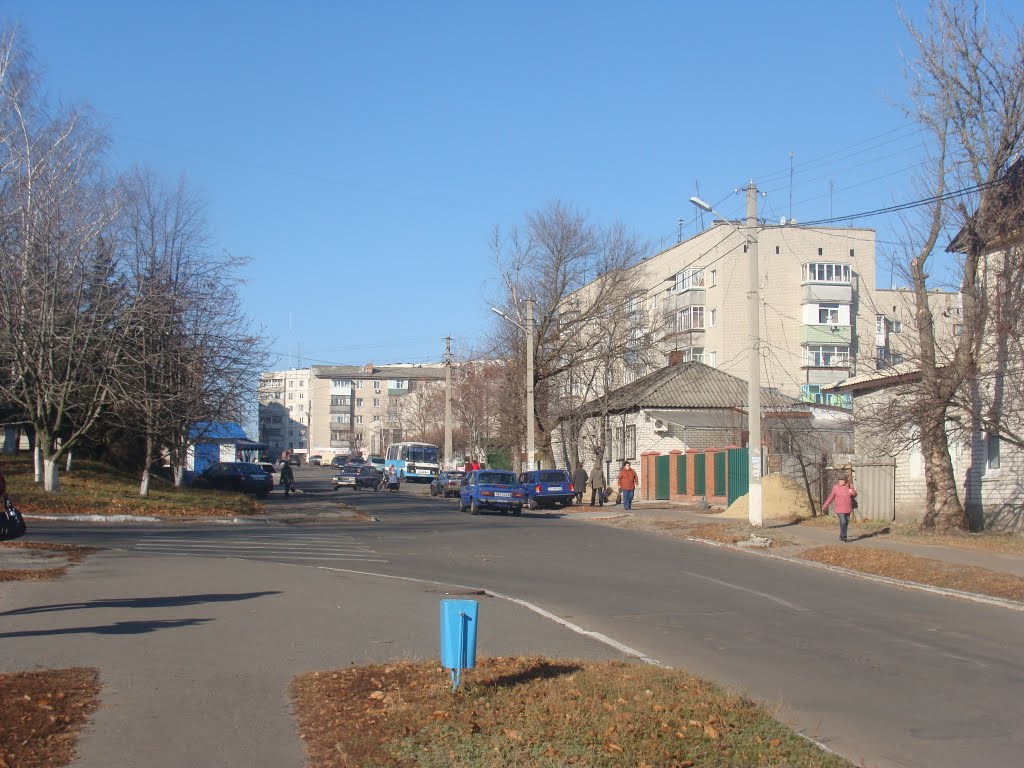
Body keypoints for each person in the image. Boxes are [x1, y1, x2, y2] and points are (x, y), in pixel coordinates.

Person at [822, 475, 857, 542]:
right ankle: (844, 537)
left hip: (848, 508)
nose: (841, 481)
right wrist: (825, 505)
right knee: (843, 522)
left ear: (845, 480)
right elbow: (831, 497)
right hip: (839, 509)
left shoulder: (849, 487)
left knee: (845, 523)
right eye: (840, 480)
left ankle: (841, 535)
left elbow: (855, 494)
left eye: (842, 480)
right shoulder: (836, 488)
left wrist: (852, 489)